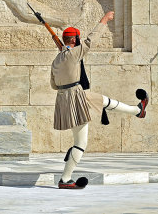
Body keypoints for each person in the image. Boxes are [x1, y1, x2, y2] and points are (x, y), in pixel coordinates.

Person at [50, 11, 149, 189]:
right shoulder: (73, 54)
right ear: (74, 41)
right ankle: (65, 179)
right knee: (80, 143)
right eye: (77, 39)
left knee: (102, 100)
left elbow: (54, 85)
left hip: (64, 98)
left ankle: (138, 110)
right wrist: (104, 20)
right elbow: (91, 40)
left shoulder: (57, 60)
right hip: (76, 96)